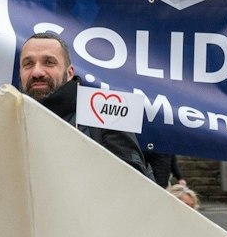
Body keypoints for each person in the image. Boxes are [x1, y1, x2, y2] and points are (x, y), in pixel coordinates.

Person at [16, 28, 148, 174]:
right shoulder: (6, 116)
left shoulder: (107, 112)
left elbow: (134, 186)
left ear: (69, 73)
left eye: (49, 62)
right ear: (20, 72)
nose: (37, 72)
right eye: (28, 64)